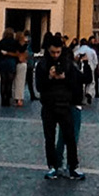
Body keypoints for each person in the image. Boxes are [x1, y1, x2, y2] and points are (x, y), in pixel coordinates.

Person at [34, 36, 85, 180]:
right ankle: (53, 167)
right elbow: (39, 87)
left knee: (70, 138)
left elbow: (77, 83)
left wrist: (65, 78)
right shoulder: (42, 66)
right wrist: (49, 77)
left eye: (58, 52)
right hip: (48, 106)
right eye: (53, 52)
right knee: (49, 138)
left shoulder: (68, 65)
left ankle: (73, 167)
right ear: (48, 51)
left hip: (64, 105)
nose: (55, 55)